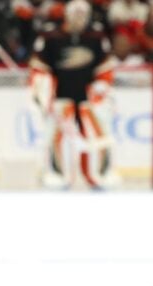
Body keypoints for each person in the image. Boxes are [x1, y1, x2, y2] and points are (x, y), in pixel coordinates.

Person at [28, 0, 119, 189]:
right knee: (56, 139)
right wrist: (42, 86)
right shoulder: (51, 36)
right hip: (61, 98)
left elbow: (105, 68)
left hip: (89, 100)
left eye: (83, 15)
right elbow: (39, 67)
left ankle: (98, 175)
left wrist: (101, 85)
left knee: (97, 136)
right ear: (67, 15)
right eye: (76, 15)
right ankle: (58, 175)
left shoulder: (95, 35)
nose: (80, 19)